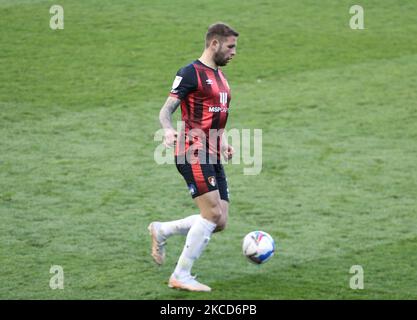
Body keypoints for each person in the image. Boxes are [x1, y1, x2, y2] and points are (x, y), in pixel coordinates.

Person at [148, 22, 238, 292]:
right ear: (214, 44)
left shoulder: (222, 79)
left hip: (212, 152)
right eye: (230, 46)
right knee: (210, 214)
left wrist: (223, 142)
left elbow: (215, 118)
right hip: (192, 151)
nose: (234, 52)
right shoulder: (190, 73)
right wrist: (166, 130)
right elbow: (166, 110)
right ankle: (181, 275)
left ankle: (161, 230)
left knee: (219, 221)